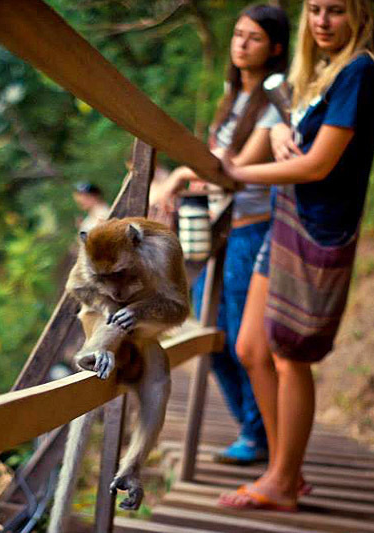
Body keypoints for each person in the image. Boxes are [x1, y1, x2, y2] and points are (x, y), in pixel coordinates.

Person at [218, 0, 374, 511]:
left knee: (290, 354)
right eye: (314, 9)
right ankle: (281, 466)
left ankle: (283, 481)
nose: (321, 21)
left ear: (357, 15)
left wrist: (238, 173)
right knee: (250, 346)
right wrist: (275, 132)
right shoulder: (322, 72)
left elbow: (317, 166)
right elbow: (290, 129)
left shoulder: (360, 71)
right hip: (286, 219)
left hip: (318, 230)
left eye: (335, 10)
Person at [152, 4, 290, 465]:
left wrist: (174, 179)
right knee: (214, 340)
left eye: (253, 37)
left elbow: (236, 171)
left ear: (275, 48)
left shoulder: (274, 99)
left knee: (235, 341)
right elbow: (216, 170)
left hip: (254, 231)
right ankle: (254, 429)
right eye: (238, 34)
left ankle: (259, 435)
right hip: (223, 232)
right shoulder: (231, 99)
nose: (241, 44)